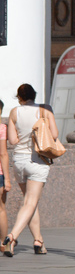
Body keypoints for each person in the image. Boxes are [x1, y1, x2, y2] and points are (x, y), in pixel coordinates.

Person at [2, 84, 58, 256]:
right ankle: (12, 237)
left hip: (19, 161)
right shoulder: (44, 112)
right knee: (30, 202)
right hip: (37, 160)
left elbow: (12, 140)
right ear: (34, 95)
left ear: (19, 97)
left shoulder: (14, 112)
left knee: (30, 201)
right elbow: (54, 135)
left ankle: (38, 241)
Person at [0, 98, 11, 243]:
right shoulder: (2, 128)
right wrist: (7, 179)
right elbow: (3, 153)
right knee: (1, 209)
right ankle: (3, 243)